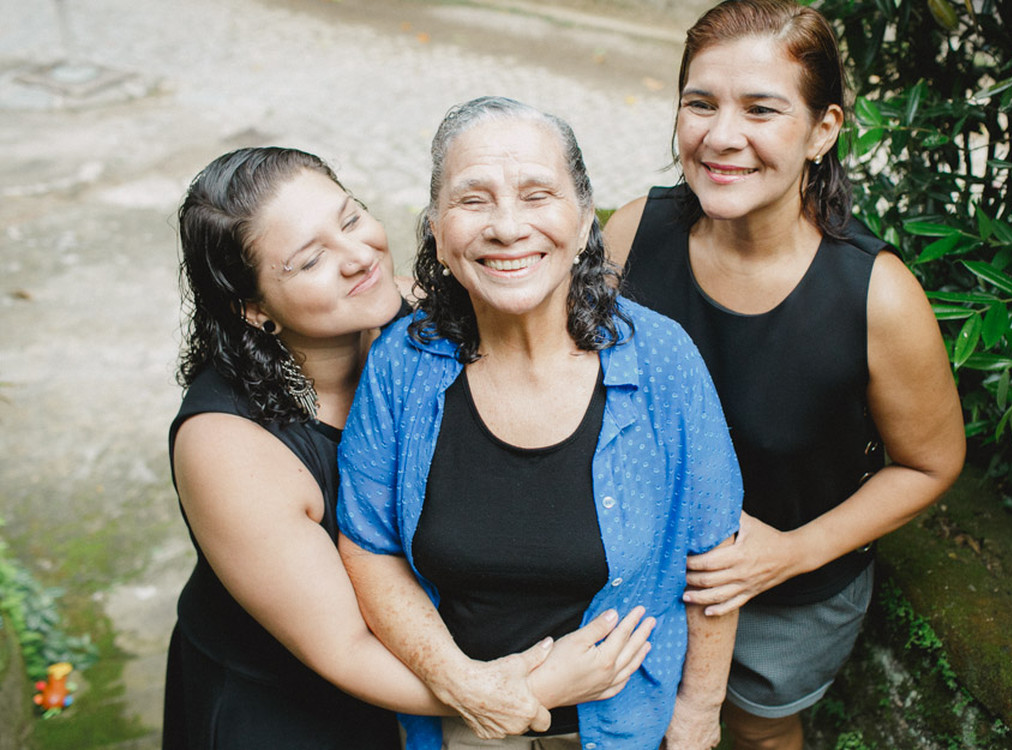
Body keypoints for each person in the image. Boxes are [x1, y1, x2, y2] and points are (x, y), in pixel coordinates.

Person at [164, 146, 654, 749]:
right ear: (254, 308)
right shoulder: (226, 448)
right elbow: (343, 648)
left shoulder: (404, 310)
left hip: (413, 677)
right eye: (311, 259)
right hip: (284, 705)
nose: (358, 257)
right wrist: (528, 688)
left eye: (350, 218)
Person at [604, 2, 967, 748]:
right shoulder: (633, 233)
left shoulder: (877, 295)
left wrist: (790, 554)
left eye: (761, 109)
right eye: (700, 103)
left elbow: (931, 463)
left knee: (759, 732)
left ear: (823, 129)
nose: (720, 135)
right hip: (637, 557)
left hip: (789, 593)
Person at [337, 96, 744, 750]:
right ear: (438, 232)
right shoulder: (402, 363)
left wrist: (700, 710)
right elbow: (368, 545)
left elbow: (713, 551)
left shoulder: (662, 360)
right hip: (456, 726)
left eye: (537, 194)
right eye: (473, 200)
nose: (506, 227)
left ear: (584, 221)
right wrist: (470, 687)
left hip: (623, 727)